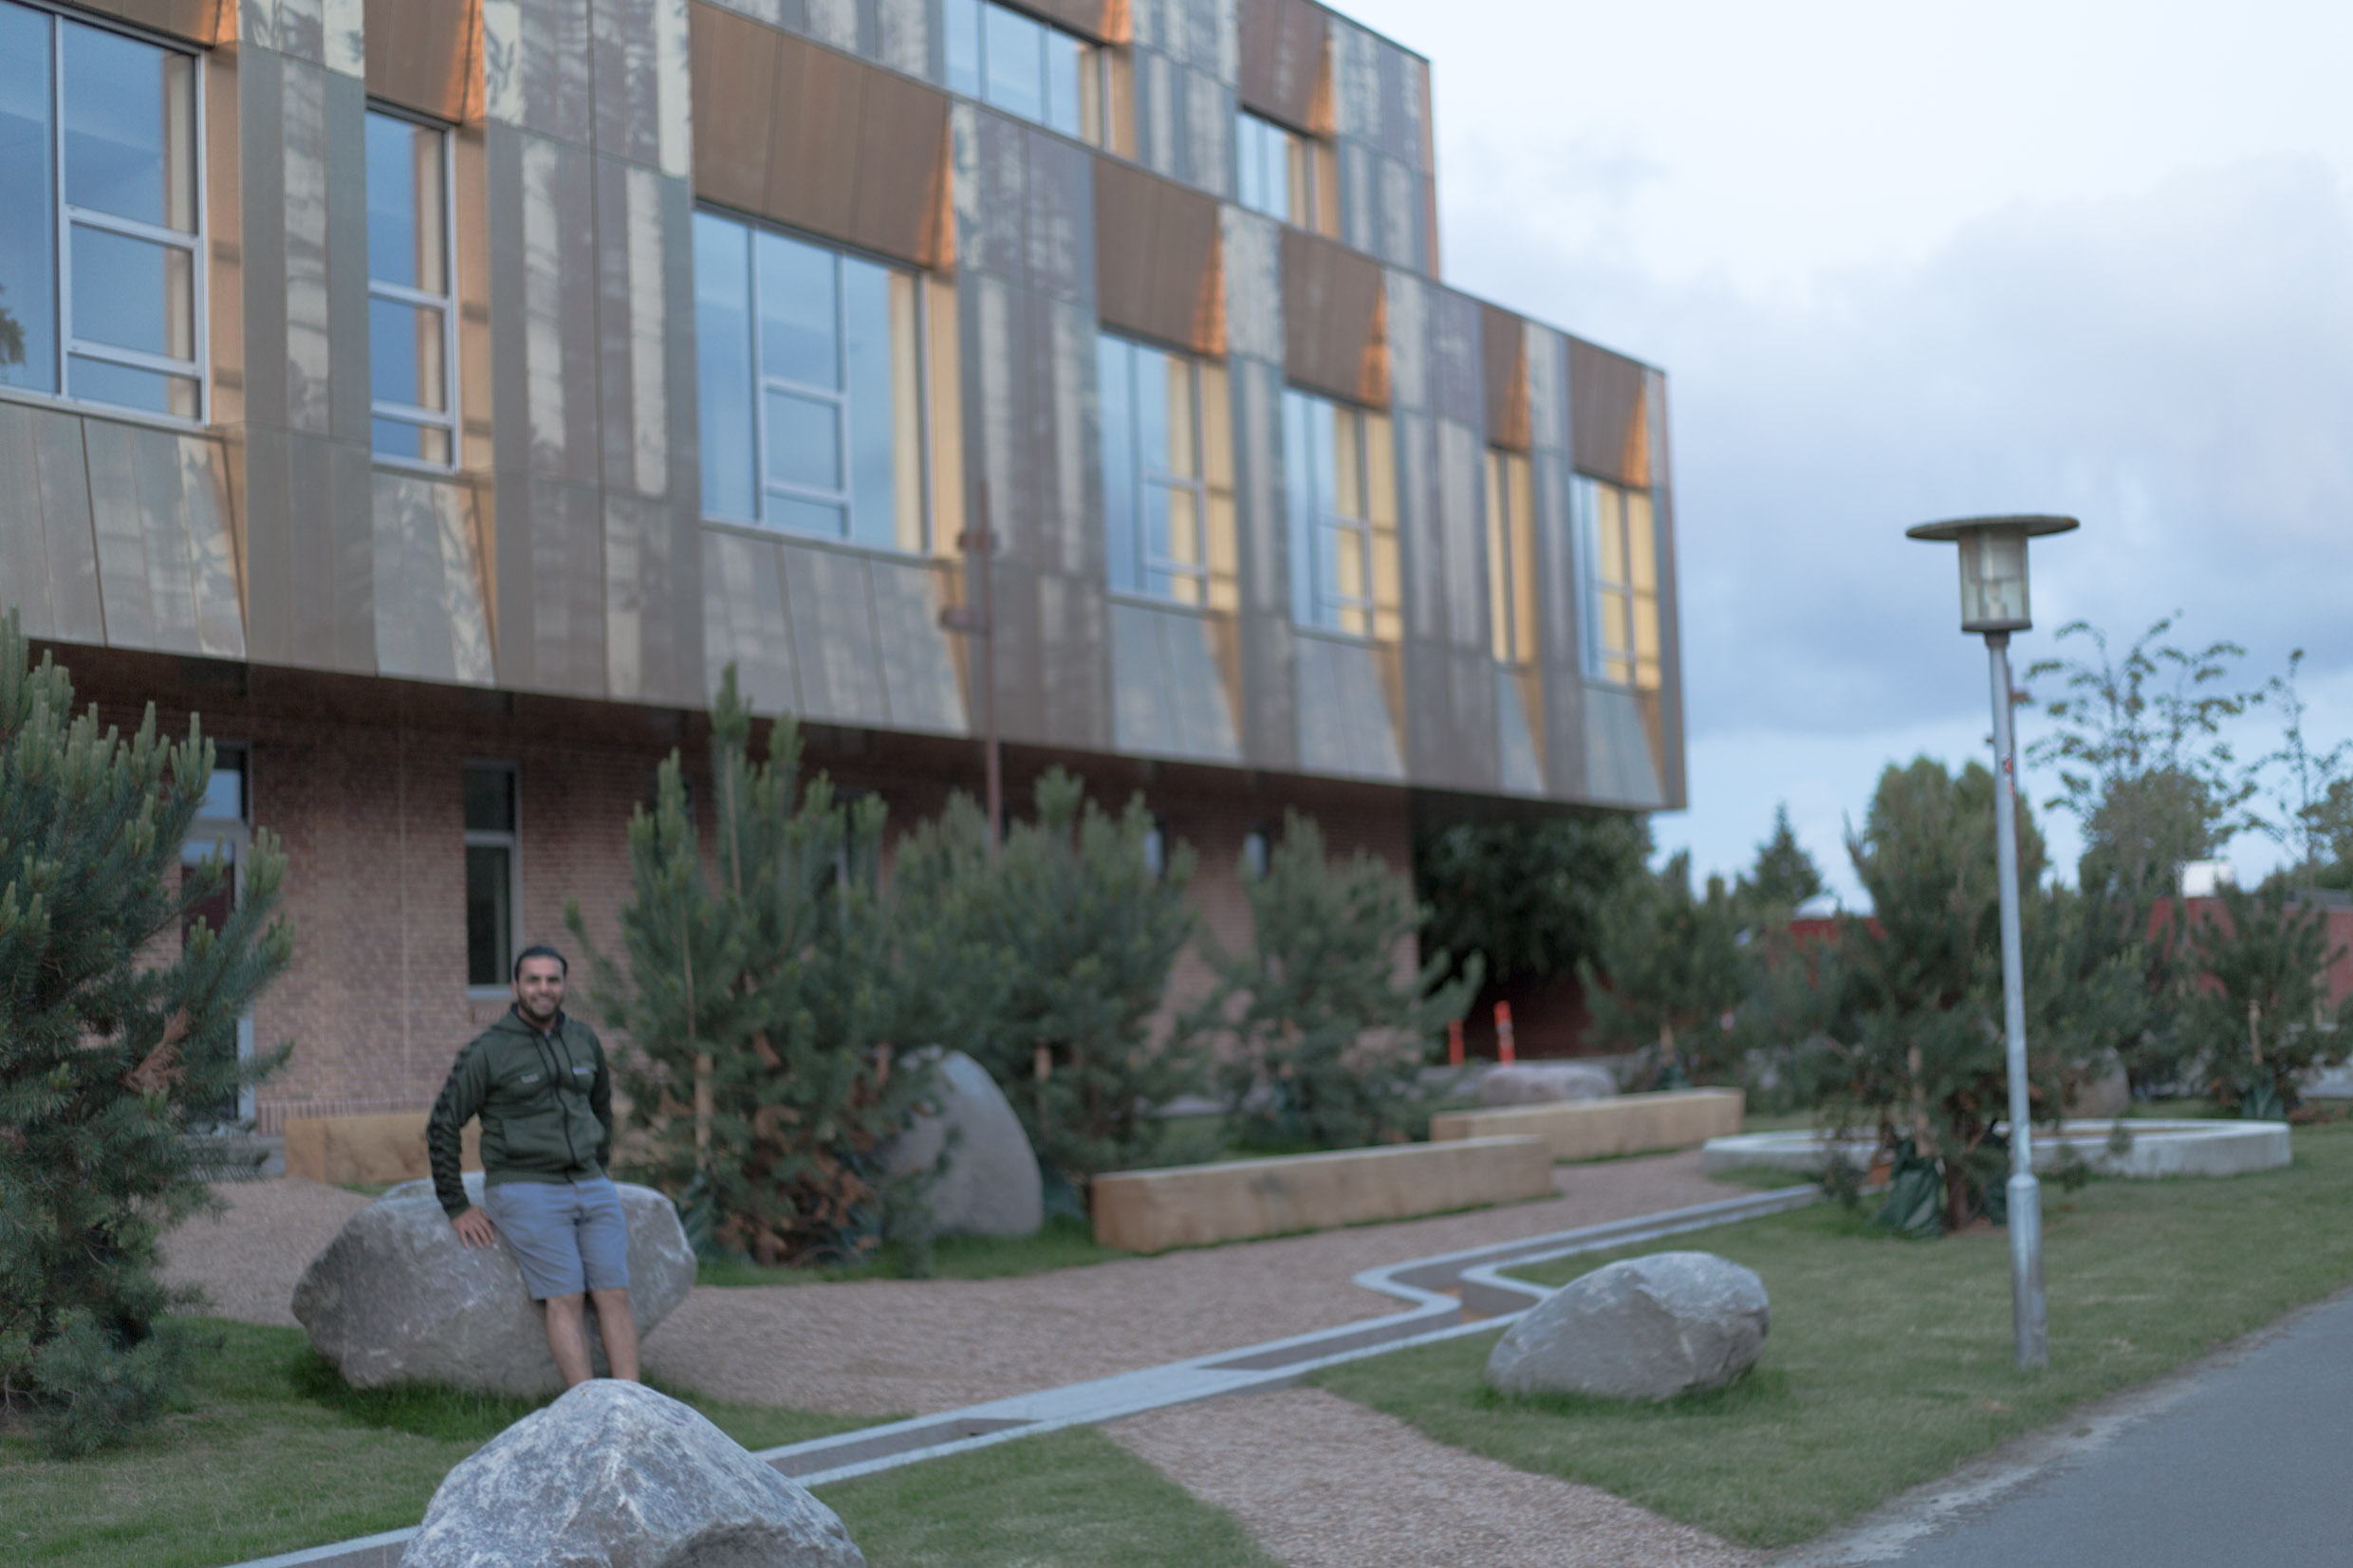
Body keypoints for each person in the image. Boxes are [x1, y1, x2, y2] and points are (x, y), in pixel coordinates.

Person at [426, 943, 640, 1387]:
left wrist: (597, 1164)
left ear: (563, 985)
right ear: (515, 987)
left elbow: (600, 1110)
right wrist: (456, 1204)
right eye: (534, 980)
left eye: (553, 980)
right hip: (525, 1187)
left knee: (614, 1294)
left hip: (590, 1184)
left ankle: (633, 1406)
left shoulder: (584, 1040)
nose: (544, 989)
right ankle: (584, 1410)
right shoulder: (488, 1051)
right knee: (564, 1298)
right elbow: (443, 1124)